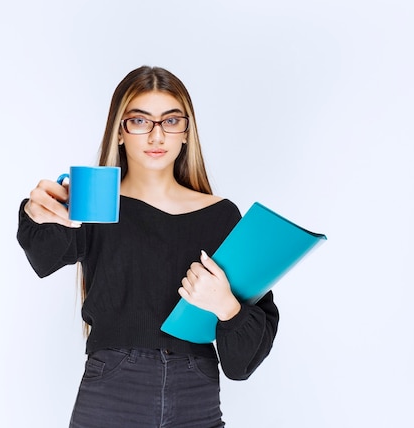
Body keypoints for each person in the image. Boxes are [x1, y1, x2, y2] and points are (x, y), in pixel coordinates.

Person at [17, 65, 279, 427]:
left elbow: (242, 362)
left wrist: (226, 306)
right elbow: (43, 256)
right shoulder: (93, 206)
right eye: (140, 121)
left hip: (197, 394)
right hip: (112, 391)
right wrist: (37, 211)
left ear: (187, 133)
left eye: (171, 121)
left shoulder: (221, 216)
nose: (157, 136)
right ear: (120, 132)